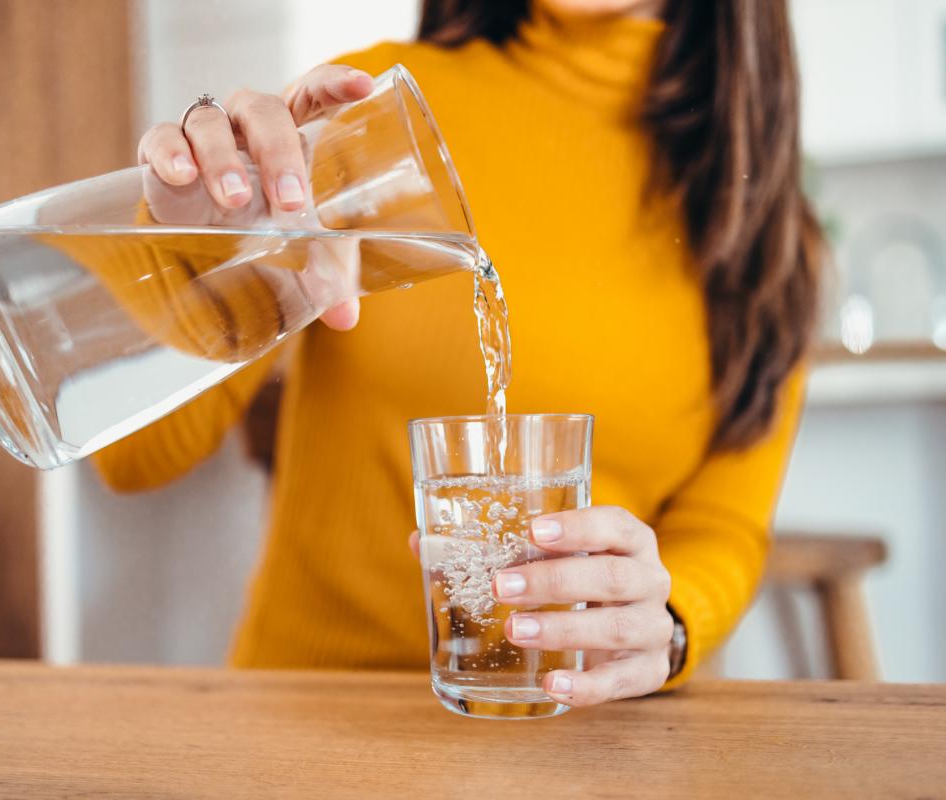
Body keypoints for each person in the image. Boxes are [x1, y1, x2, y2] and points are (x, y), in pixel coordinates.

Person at [108, 0, 822, 706]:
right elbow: (136, 456)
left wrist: (664, 628)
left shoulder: (766, 232)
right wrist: (204, 251)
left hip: (571, 734)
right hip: (304, 722)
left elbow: (721, 527)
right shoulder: (371, 113)